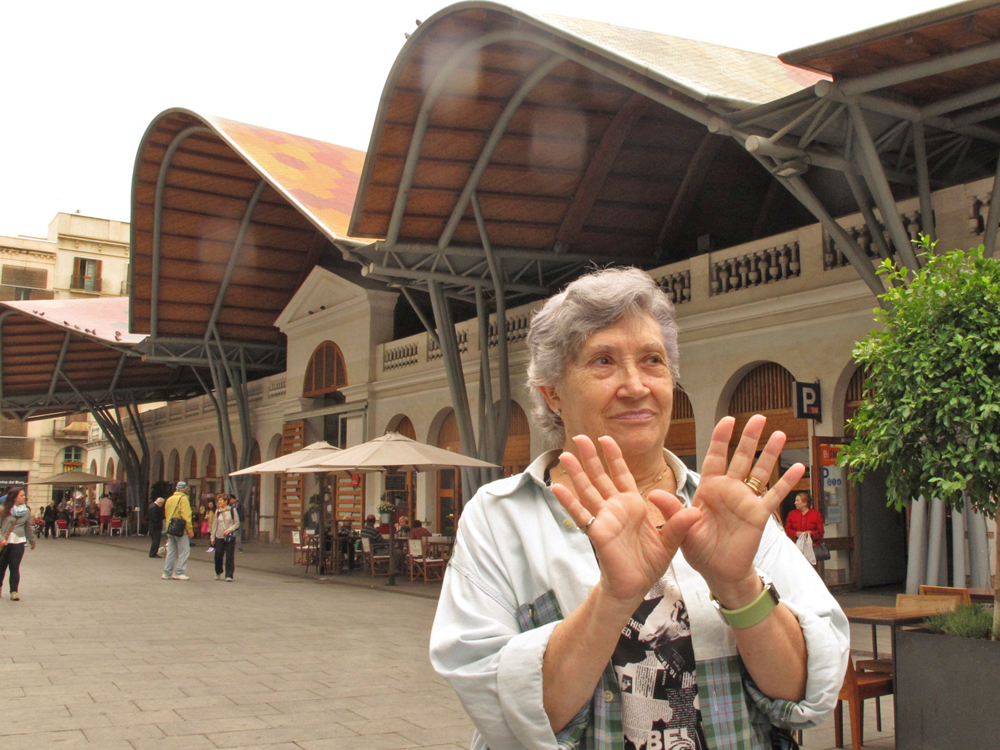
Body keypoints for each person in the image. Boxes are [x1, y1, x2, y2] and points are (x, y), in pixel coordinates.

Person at [430, 267, 849, 750]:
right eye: (603, 361)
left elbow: (807, 693)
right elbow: (504, 714)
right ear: (552, 392)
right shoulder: (501, 517)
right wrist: (611, 599)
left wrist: (737, 585)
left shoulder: (725, 508)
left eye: (652, 361)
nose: (635, 385)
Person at [0, 487, 37, 601]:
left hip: (19, 542)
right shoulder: (3, 510)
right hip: (4, 542)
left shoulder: (25, 511)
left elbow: (28, 527)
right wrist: (1, 538)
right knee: (1, 567)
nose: (24, 497)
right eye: (21, 495)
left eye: (24, 495)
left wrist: (32, 541)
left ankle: (14, 591)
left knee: (14, 567)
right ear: (15, 497)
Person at [162, 481, 193, 581]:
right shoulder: (183, 499)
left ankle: (167, 573)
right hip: (181, 530)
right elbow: (186, 515)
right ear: (184, 489)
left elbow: (167, 514)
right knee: (184, 551)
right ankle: (179, 572)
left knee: (171, 552)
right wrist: (190, 529)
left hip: (171, 529)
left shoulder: (170, 499)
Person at [785, 492, 824, 565]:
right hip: (796, 547)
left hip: (812, 548)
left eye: (797, 501)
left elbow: (821, 532)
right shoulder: (792, 514)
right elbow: (787, 530)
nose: (795, 503)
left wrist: (811, 533)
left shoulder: (816, 515)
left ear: (805, 503)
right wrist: (796, 533)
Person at [210, 493, 240, 582]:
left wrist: (230, 530)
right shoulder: (217, 511)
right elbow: (214, 524)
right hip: (219, 536)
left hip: (230, 536)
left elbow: (237, 523)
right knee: (218, 555)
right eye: (218, 500)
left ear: (226, 501)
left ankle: (229, 575)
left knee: (229, 555)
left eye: (221, 500)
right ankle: (218, 571)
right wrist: (212, 537)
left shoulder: (232, 510)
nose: (219, 502)